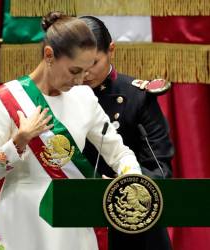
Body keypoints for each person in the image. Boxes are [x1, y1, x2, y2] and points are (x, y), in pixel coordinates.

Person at [0, 12, 142, 250]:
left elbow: (119, 153)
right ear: (49, 56)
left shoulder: (84, 97)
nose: (80, 80)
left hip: (72, 220)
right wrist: (19, 141)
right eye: (74, 71)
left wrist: (130, 179)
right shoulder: (4, 99)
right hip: (22, 220)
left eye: (86, 71)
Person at [80, 16, 174, 250]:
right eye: (78, 64)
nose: (85, 73)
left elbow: (159, 165)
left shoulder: (137, 96)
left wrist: (124, 185)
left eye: (93, 63)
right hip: (78, 218)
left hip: (132, 220)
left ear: (111, 50)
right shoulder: (60, 97)